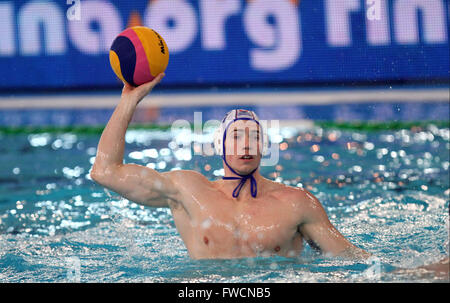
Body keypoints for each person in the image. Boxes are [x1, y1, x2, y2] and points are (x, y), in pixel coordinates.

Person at [90, 74, 371, 260]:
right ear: (220, 146)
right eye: (236, 137)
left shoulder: (297, 203)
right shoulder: (187, 190)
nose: (246, 145)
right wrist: (129, 101)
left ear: (264, 147)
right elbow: (105, 171)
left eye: (254, 137)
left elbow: (350, 260)